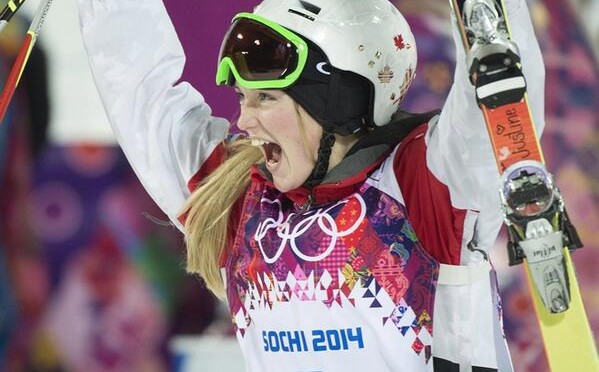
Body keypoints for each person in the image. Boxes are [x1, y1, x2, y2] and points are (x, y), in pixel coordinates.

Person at [77, 0, 544, 370]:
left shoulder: (423, 180)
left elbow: (500, 97)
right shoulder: (234, 193)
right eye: (242, 97)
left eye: (266, 98)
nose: (243, 120)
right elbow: (138, 85)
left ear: (335, 104)